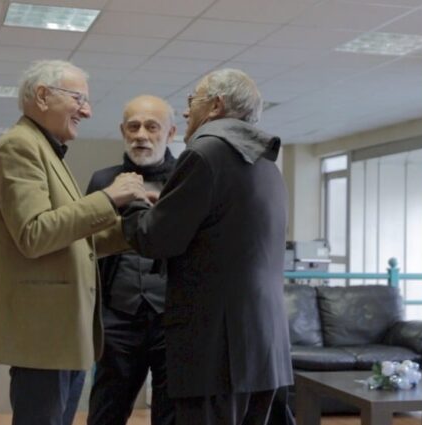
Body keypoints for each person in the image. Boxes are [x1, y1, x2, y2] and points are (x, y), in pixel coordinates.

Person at [0, 60, 147, 425]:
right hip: (44, 335)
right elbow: (35, 234)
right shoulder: (18, 147)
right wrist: (109, 198)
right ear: (42, 96)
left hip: (62, 334)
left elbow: (72, 239)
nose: (87, 111)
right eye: (78, 99)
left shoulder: (46, 148)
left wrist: (140, 229)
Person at [121, 69, 293, 425]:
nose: (186, 111)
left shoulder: (205, 153)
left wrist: (133, 199)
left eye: (192, 101)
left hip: (217, 350)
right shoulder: (266, 161)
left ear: (215, 106)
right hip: (264, 348)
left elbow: (154, 239)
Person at [86, 95, 178, 425]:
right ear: (122, 131)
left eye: (152, 127)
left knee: (172, 414)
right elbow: (87, 243)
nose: (141, 135)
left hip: (173, 317)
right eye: (133, 126)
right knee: (106, 409)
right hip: (117, 316)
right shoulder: (102, 181)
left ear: (170, 133)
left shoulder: (187, 179)